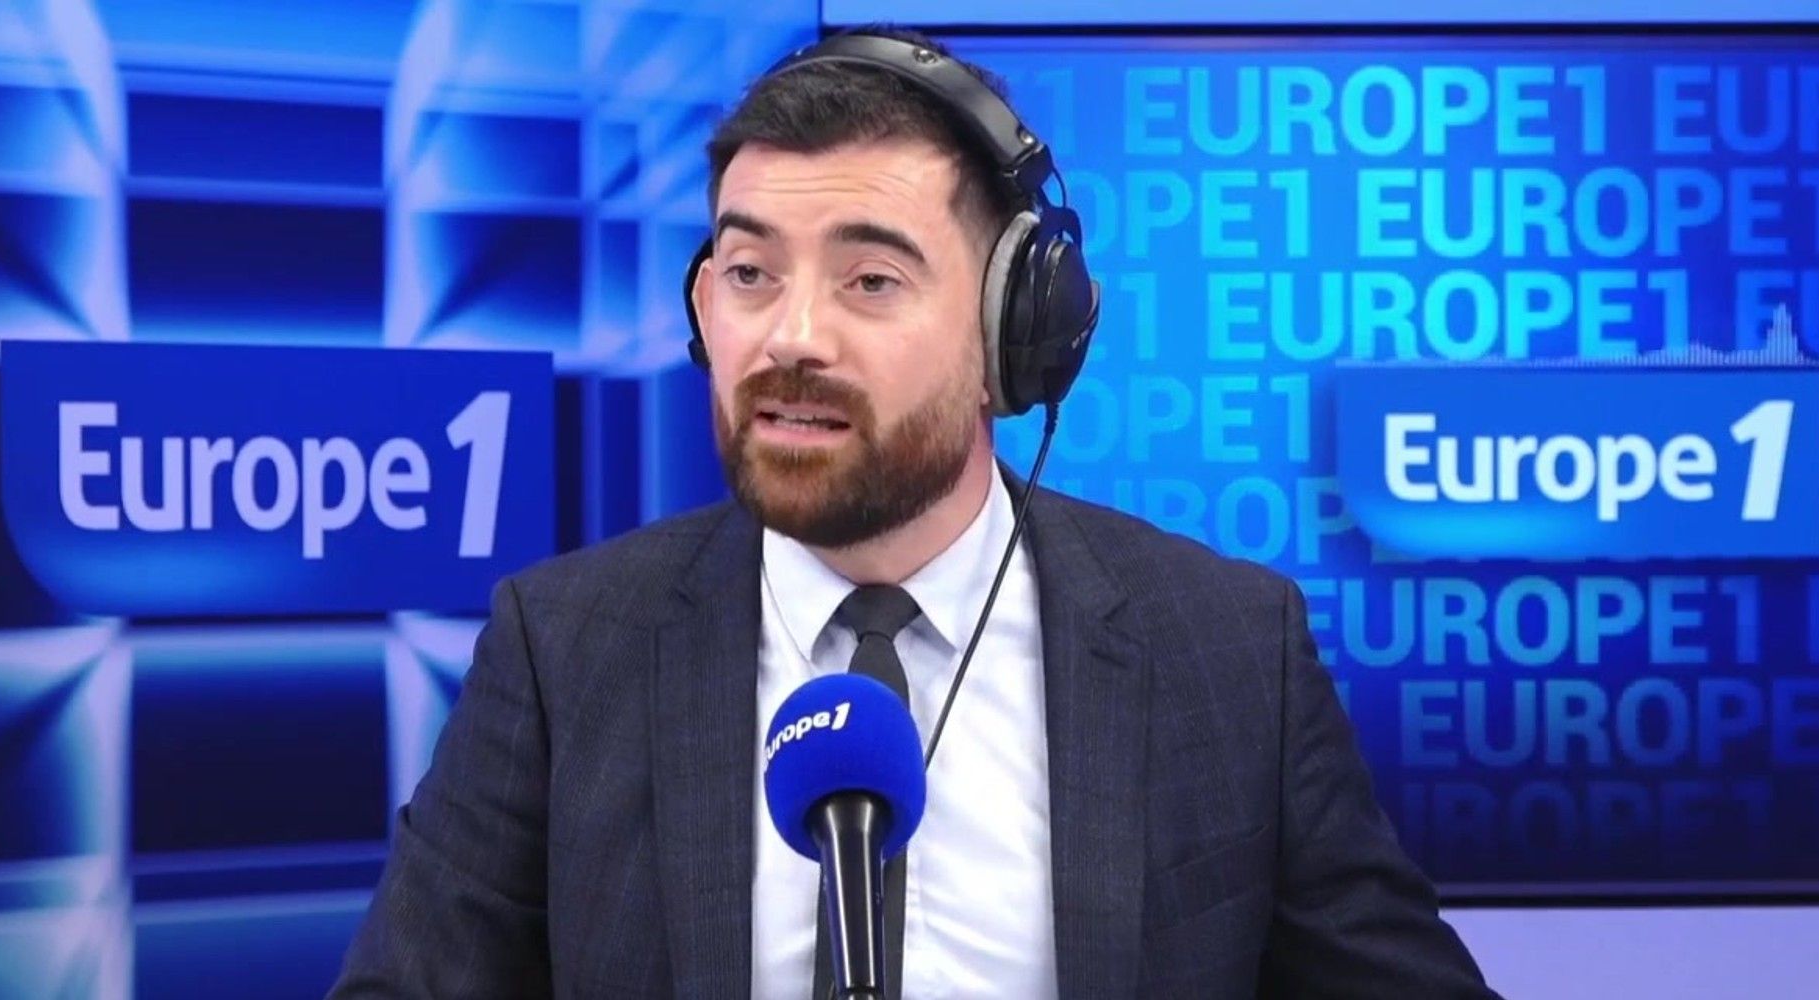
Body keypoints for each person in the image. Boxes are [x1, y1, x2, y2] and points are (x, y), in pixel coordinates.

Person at [331, 26, 1498, 999]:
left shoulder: (1226, 650)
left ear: (1012, 333)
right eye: (749, 273)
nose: (791, 337)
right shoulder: (563, 647)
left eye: (870, 280)